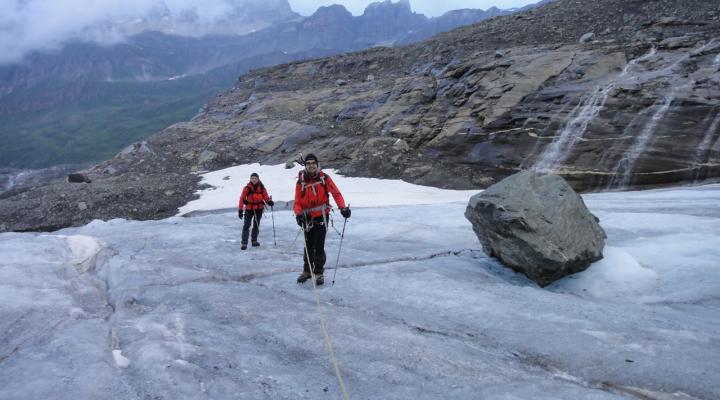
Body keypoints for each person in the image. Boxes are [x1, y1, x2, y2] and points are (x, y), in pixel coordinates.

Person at [294, 154, 351, 285]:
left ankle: (319, 272)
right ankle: (307, 271)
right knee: (308, 245)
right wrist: (298, 214)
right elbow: (297, 200)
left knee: (319, 246)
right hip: (306, 217)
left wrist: (342, 208)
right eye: (308, 163)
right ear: (305, 165)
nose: (311, 165)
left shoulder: (325, 178)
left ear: (317, 164)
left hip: (321, 216)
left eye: (313, 163)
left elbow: (336, 193)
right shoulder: (301, 181)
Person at [238, 172, 274, 250]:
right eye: (252, 178)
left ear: (258, 179)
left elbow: (266, 197)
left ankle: (254, 241)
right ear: (250, 179)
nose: (253, 180)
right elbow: (242, 198)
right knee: (246, 225)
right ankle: (244, 243)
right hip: (249, 209)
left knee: (256, 225)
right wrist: (240, 209)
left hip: (259, 208)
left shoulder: (262, 187)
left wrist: (269, 202)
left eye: (255, 178)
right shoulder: (247, 188)